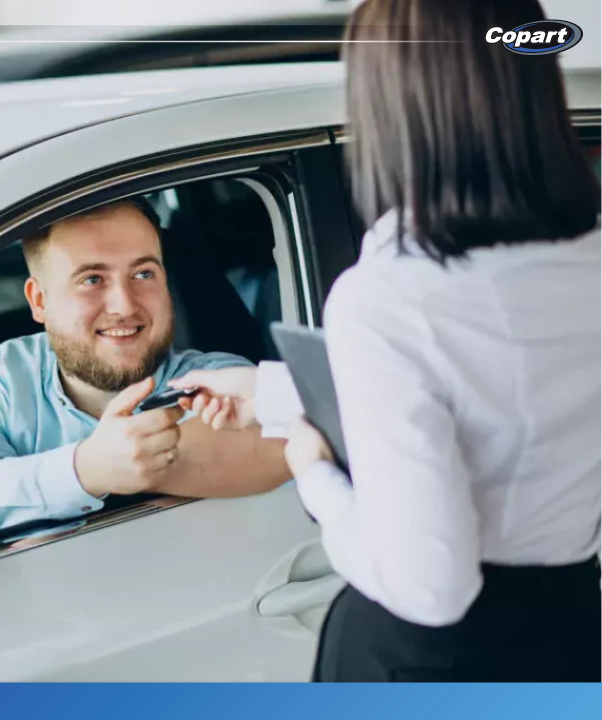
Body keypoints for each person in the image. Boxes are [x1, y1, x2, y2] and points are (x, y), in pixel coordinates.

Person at [171, 0, 601, 683]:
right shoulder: (587, 263)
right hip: (572, 633)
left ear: (391, 106)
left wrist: (315, 471)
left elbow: (432, 588)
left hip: (436, 662)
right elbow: (500, 400)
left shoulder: (392, 297)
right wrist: (275, 392)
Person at [0, 198, 292, 535]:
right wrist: (85, 469)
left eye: (143, 274)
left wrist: (137, 464)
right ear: (39, 300)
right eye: (92, 279)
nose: (123, 305)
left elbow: (281, 449)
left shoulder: (217, 381)